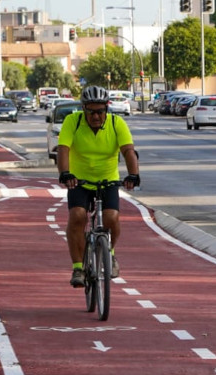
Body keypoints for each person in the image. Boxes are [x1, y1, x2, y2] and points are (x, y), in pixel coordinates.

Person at [56, 85, 140, 288]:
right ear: (83, 109)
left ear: (107, 109)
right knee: (77, 216)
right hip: (79, 180)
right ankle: (78, 267)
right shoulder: (72, 122)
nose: (96, 116)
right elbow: (63, 149)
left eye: (100, 111)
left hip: (107, 179)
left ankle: (110, 253)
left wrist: (133, 174)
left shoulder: (116, 123)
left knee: (112, 217)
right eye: (91, 111)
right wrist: (65, 174)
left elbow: (128, 150)